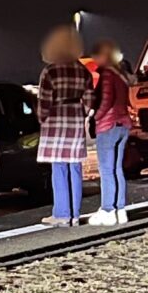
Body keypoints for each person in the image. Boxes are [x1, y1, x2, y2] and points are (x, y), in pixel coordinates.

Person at [36, 27, 94, 225]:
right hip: (75, 121)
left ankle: (62, 213)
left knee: (58, 167)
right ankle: (75, 215)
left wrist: (42, 118)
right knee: (75, 168)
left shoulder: (50, 72)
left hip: (55, 121)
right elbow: (89, 102)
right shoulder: (83, 71)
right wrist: (82, 112)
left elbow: (43, 102)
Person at [89, 41, 135, 224]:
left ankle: (107, 209)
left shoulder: (107, 74)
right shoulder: (122, 74)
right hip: (123, 124)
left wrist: (96, 117)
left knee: (106, 169)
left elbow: (106, 99)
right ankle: (120, 209)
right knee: (117, 169)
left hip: (108, 125)